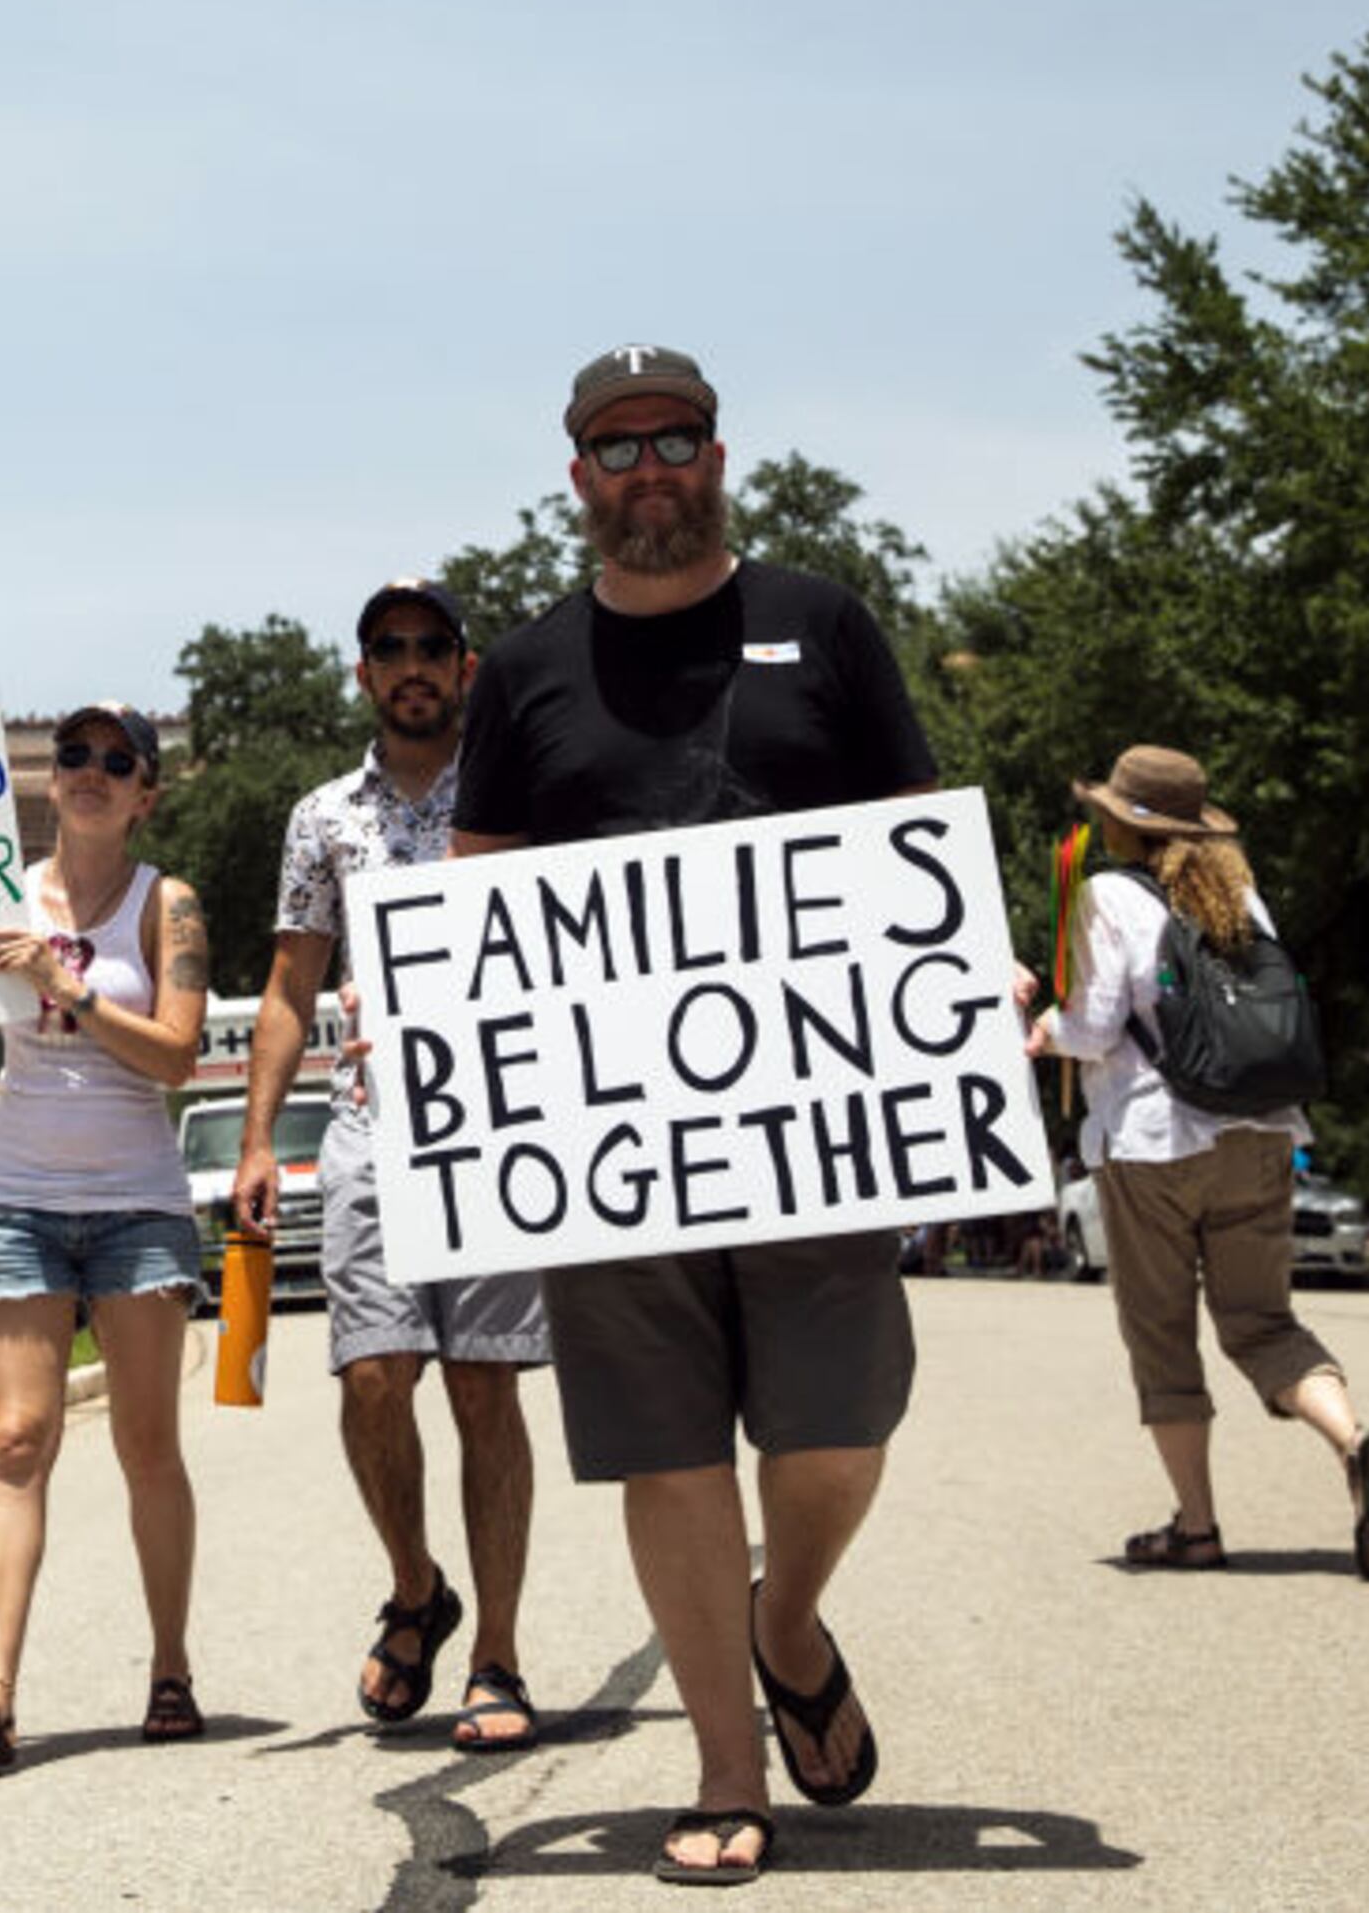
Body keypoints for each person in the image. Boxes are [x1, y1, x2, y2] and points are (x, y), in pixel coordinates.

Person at [448, 344, 947, 1884]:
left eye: (677, 439)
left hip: (813, 1127)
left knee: (837, 1429)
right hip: (615, 1154)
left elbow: (911, 849)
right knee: (666, 1449)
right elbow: (480, 898)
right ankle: (730, 1764)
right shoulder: (524, 675)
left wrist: (964, 971)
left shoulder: (825, 626)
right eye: (619, 446)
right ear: (578, 475)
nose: (649, 466)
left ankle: (784, 1617)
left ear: (719, 458)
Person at [235, 575, 551, 1753]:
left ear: (466, 668)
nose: (411, 663)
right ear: (362, 674)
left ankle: (498, 1654)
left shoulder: (526, 790)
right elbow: (287, 983)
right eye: (388, 648)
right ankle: (417, 1584)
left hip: (497, 1117)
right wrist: (263, 1135)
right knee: (373, 1375)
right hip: (370, 1119)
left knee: (484, 1387)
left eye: (432, 645)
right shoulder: (326, 816)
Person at [0, 701, 211, 1768]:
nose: (89, 770)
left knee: (145, 1445)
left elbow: (175, 1056)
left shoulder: (167, 906)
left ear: (144, 793)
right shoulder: (1, 897)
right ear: (50, 781)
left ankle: (169, 1663)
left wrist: (65, 985)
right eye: (73, 754)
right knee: (16, 1440)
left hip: (137, 1205)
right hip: (23, 1196)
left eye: (114, 760)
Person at [1030, 744, 1369, 1586]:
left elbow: (1094, 1028)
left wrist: (1038, 1026)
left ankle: (1196, 1526)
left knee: (1163, 1337)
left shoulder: (1106, 896)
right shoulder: (1242, 894)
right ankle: (1354, 1444)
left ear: (1119, 820)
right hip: (1262, 1132)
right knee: (1262, 1322)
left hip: (1153, 1145)